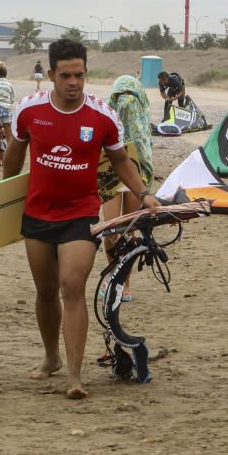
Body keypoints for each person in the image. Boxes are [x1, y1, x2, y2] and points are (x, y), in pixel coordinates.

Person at [3, 38, 158, 400]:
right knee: (44, 292)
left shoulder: (103, 116)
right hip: (38, 212)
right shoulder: (28, 110)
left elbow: (121, 160)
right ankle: (51, 358)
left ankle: (75, 376)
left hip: (80, 212)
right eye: (67, 75)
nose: (74, 82)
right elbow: (14, 156)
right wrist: (4, 196)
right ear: (52, 75)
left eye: (80, 75)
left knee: (71, 287)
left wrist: (145, 192)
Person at [101, 75, 154, 302]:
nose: (126, 102)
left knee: (129, 229)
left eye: (130, 95)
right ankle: (114, 277)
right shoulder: (106, 119)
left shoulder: (142, 122)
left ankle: (124, 283)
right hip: (111, 173)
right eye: (121, 96)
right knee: (112, 229)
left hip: (136, 175)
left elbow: (143, 149)